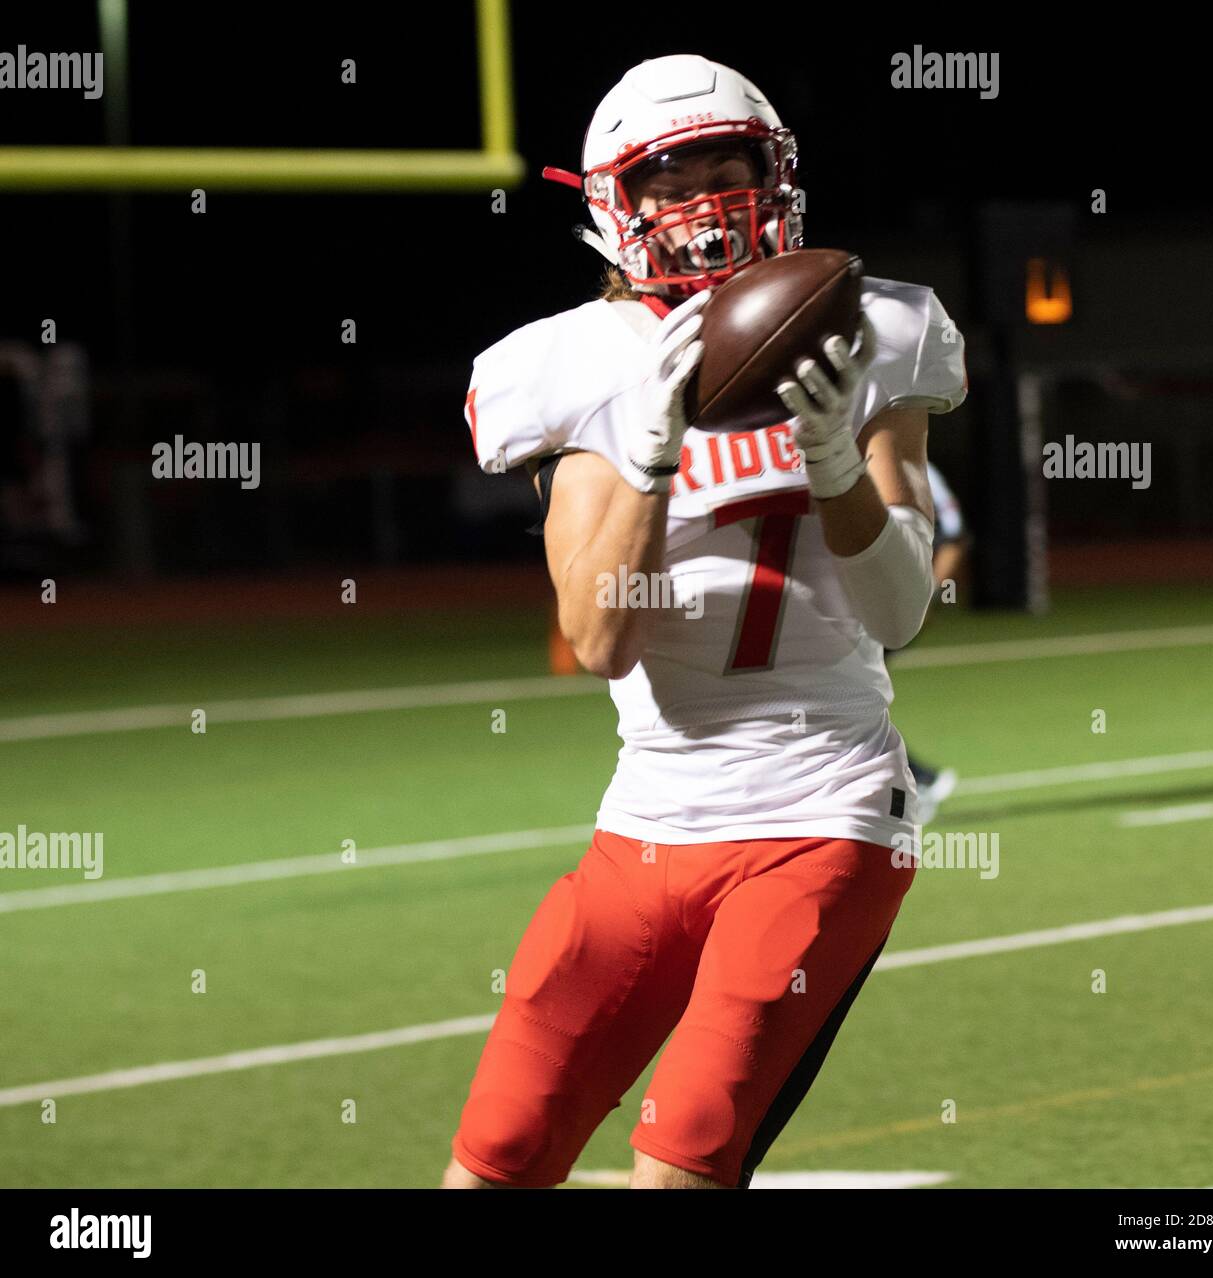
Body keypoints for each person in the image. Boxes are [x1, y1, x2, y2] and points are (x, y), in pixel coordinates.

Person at [445, 54, 967, 1190]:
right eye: (670, 180)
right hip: (648, 817)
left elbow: (899, 611)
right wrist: (646, 451)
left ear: (774, 172)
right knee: (497, 1157)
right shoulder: (573, 368)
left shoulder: (870, 327)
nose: (707, 204)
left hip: (823, 806)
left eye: (727, 168)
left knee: (680, 1159)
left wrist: (833, 461)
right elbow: (598, 641)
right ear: (613, 210)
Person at [897, 461, 972, 824]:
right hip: (854, 605)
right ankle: (918, 779)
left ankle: (917, 781)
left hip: (893, 609)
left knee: (843, 694)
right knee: (847, 696)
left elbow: (954, 539)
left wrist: (929, 597)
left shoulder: (917, 466)